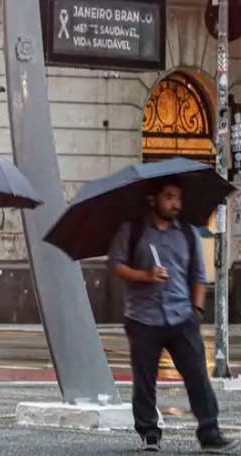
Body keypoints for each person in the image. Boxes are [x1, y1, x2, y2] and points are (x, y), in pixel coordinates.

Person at [108, 179, 238, 453]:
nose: (175, 203)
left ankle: (209, 431)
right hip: (143, 318)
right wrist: (145, 275)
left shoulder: (188, 233)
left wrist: (196, 312)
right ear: (153, 199)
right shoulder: (132, 230)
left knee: (197, 375)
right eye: (168, 197)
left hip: (181, 317)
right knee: (145, 380)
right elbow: (116, 265)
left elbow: (199, 277)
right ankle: (149, 433)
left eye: (178, 197)